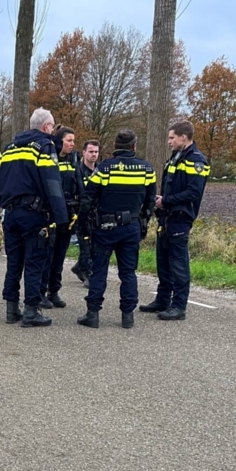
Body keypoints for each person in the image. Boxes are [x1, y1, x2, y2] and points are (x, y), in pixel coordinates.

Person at [0, 108, 67, 327]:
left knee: (14, 263)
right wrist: (61, 217)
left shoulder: (9, 148)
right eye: (52, 126)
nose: (52, 131)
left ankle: (11, 309)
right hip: (33, 214)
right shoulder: (45, 146)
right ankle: (31, 311)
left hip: (10, 215)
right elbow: (52, 182)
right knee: (34, 262)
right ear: (46, 127)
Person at [77, 128, 156, 330]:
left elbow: (88, 198)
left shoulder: (104, 168)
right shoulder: (146, 169)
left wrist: (83, 224)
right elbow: (149, 202)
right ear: (134, 146)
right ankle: (127, 316)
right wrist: (144, 223)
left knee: (99, 270)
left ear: (114, 147)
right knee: (128, 272)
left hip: (105, 227)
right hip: (131, 227)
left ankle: (92, 314)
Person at [140, 120, 211, 321]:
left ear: (183, 137)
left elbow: (193, 192)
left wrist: (166, 201)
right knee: (163, 262)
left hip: (180, 218)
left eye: (172, 138)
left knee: (179, 264)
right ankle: (163, 300)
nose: (169, 142)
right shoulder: (175, 158)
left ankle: (179, 306)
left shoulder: (197, 161)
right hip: (167, 217)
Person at [41, 126, 82, 309]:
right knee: (47, 255)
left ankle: (54, 291)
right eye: (69, 140)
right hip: (52, 215)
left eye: (74, 141)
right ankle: (40, 292)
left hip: (68, 215)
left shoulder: (74, 160)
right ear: (59, 141)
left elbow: (79, 184)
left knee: (59, 256)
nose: (72, 144)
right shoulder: (50, 159)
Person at [71, 140, 100, 286]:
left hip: (96, 213)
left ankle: (79, 267)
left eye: (96, 152)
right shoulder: (78, 170)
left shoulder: (100, 170)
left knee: (94, 244)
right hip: (81, 213)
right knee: (85, 244)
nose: (93, 154)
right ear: (84, 152)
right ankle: (88, 273)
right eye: (91, 151)